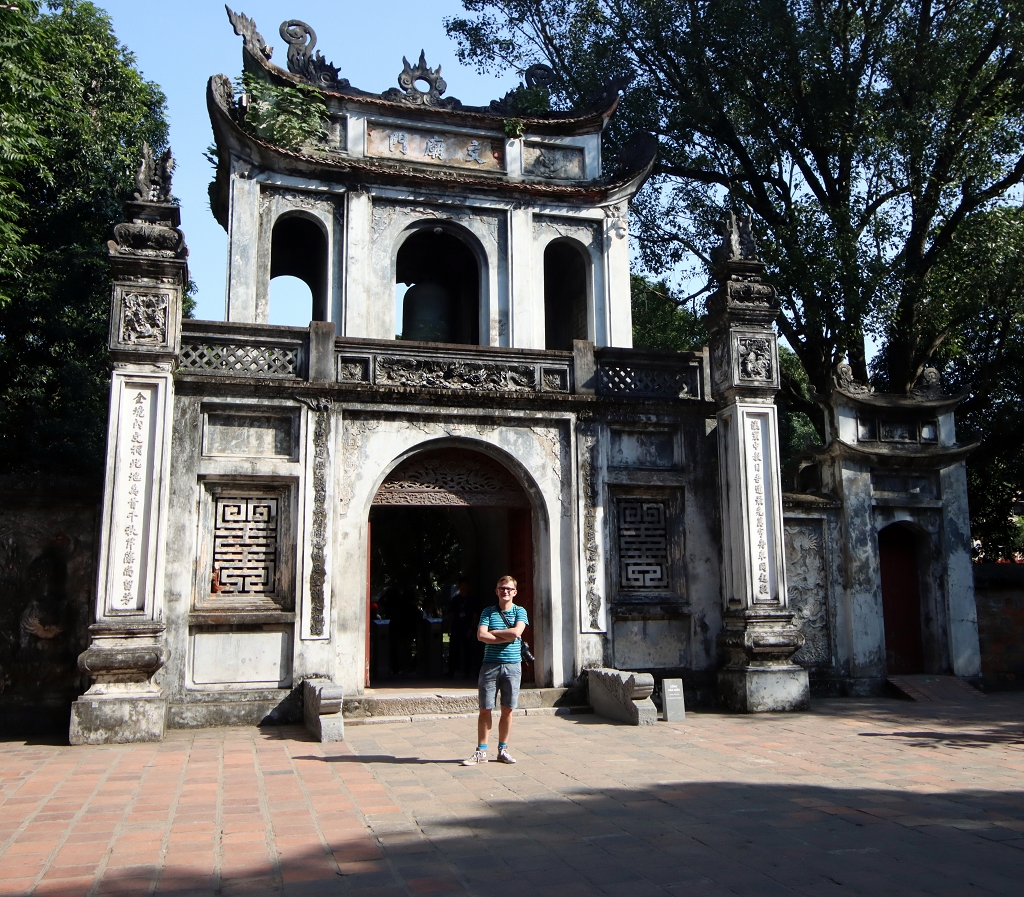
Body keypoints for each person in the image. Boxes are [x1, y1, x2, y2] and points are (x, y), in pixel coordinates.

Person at [462, 575, 528, 766]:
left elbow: (517, 632)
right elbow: (481, 635)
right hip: (489, 665)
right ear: (496, 591)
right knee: (485, 708)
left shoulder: (520, 611)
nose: (505, 591)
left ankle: (503, 749)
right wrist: (505, 636)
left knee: (507, 709)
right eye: (501, 588)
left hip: (513, 666)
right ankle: (481, 751)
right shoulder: (488, 612)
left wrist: (495, 633)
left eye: (508, 588)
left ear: (515, 592)